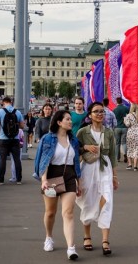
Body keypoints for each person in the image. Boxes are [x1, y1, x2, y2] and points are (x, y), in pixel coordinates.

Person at [33, 110, 81, 260]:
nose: (70, 121)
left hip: (69, 176)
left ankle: (71, 248)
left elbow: (76, 162)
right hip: (52, 176)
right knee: (50, 212)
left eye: (70, 119)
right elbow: (43, 161)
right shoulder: (48, 139)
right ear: (59, 122)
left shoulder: (73, 140)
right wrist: (44, 180)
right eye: (67, 119)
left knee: (68, 213)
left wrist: (79, 182)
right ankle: (48, 237)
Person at [76, 102, 118, 256]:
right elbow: (74, 151)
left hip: (105, 169)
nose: (100, 114)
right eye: (96, 111)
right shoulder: (82, 132)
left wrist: (114, 176)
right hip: (88, 169)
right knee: (88, 202)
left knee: (107, 201)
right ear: (90, 115)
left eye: (102, 111)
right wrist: (86, 147)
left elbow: (113, 155)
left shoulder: (109, 133)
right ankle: (87, 236)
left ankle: (105, 240)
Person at [0, 96, 25, 185]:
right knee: (17, 160)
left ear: (3, 103)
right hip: (15, 139)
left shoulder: (0, 112)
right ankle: (19, 179)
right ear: (11, 102)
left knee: (2, 159)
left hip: (3, 139)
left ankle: (0, 180)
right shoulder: (18, 112)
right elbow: (22, 126)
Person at [124, 103, 138, 171]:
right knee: (137, 149)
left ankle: (129, 164)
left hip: (131, 133)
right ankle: (135, 166)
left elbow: (128, 124)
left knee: (130, 148)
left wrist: (124, 120)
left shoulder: (128, 115)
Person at [112, 97, 129, 163]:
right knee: (124, 142)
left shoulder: (114, 110)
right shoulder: (125, 108)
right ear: (122, 101)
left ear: (116, 102)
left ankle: (117, 158)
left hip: (117, 128)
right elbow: (129, 114)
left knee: (117, 144)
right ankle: (125, 154)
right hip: (124, 127)